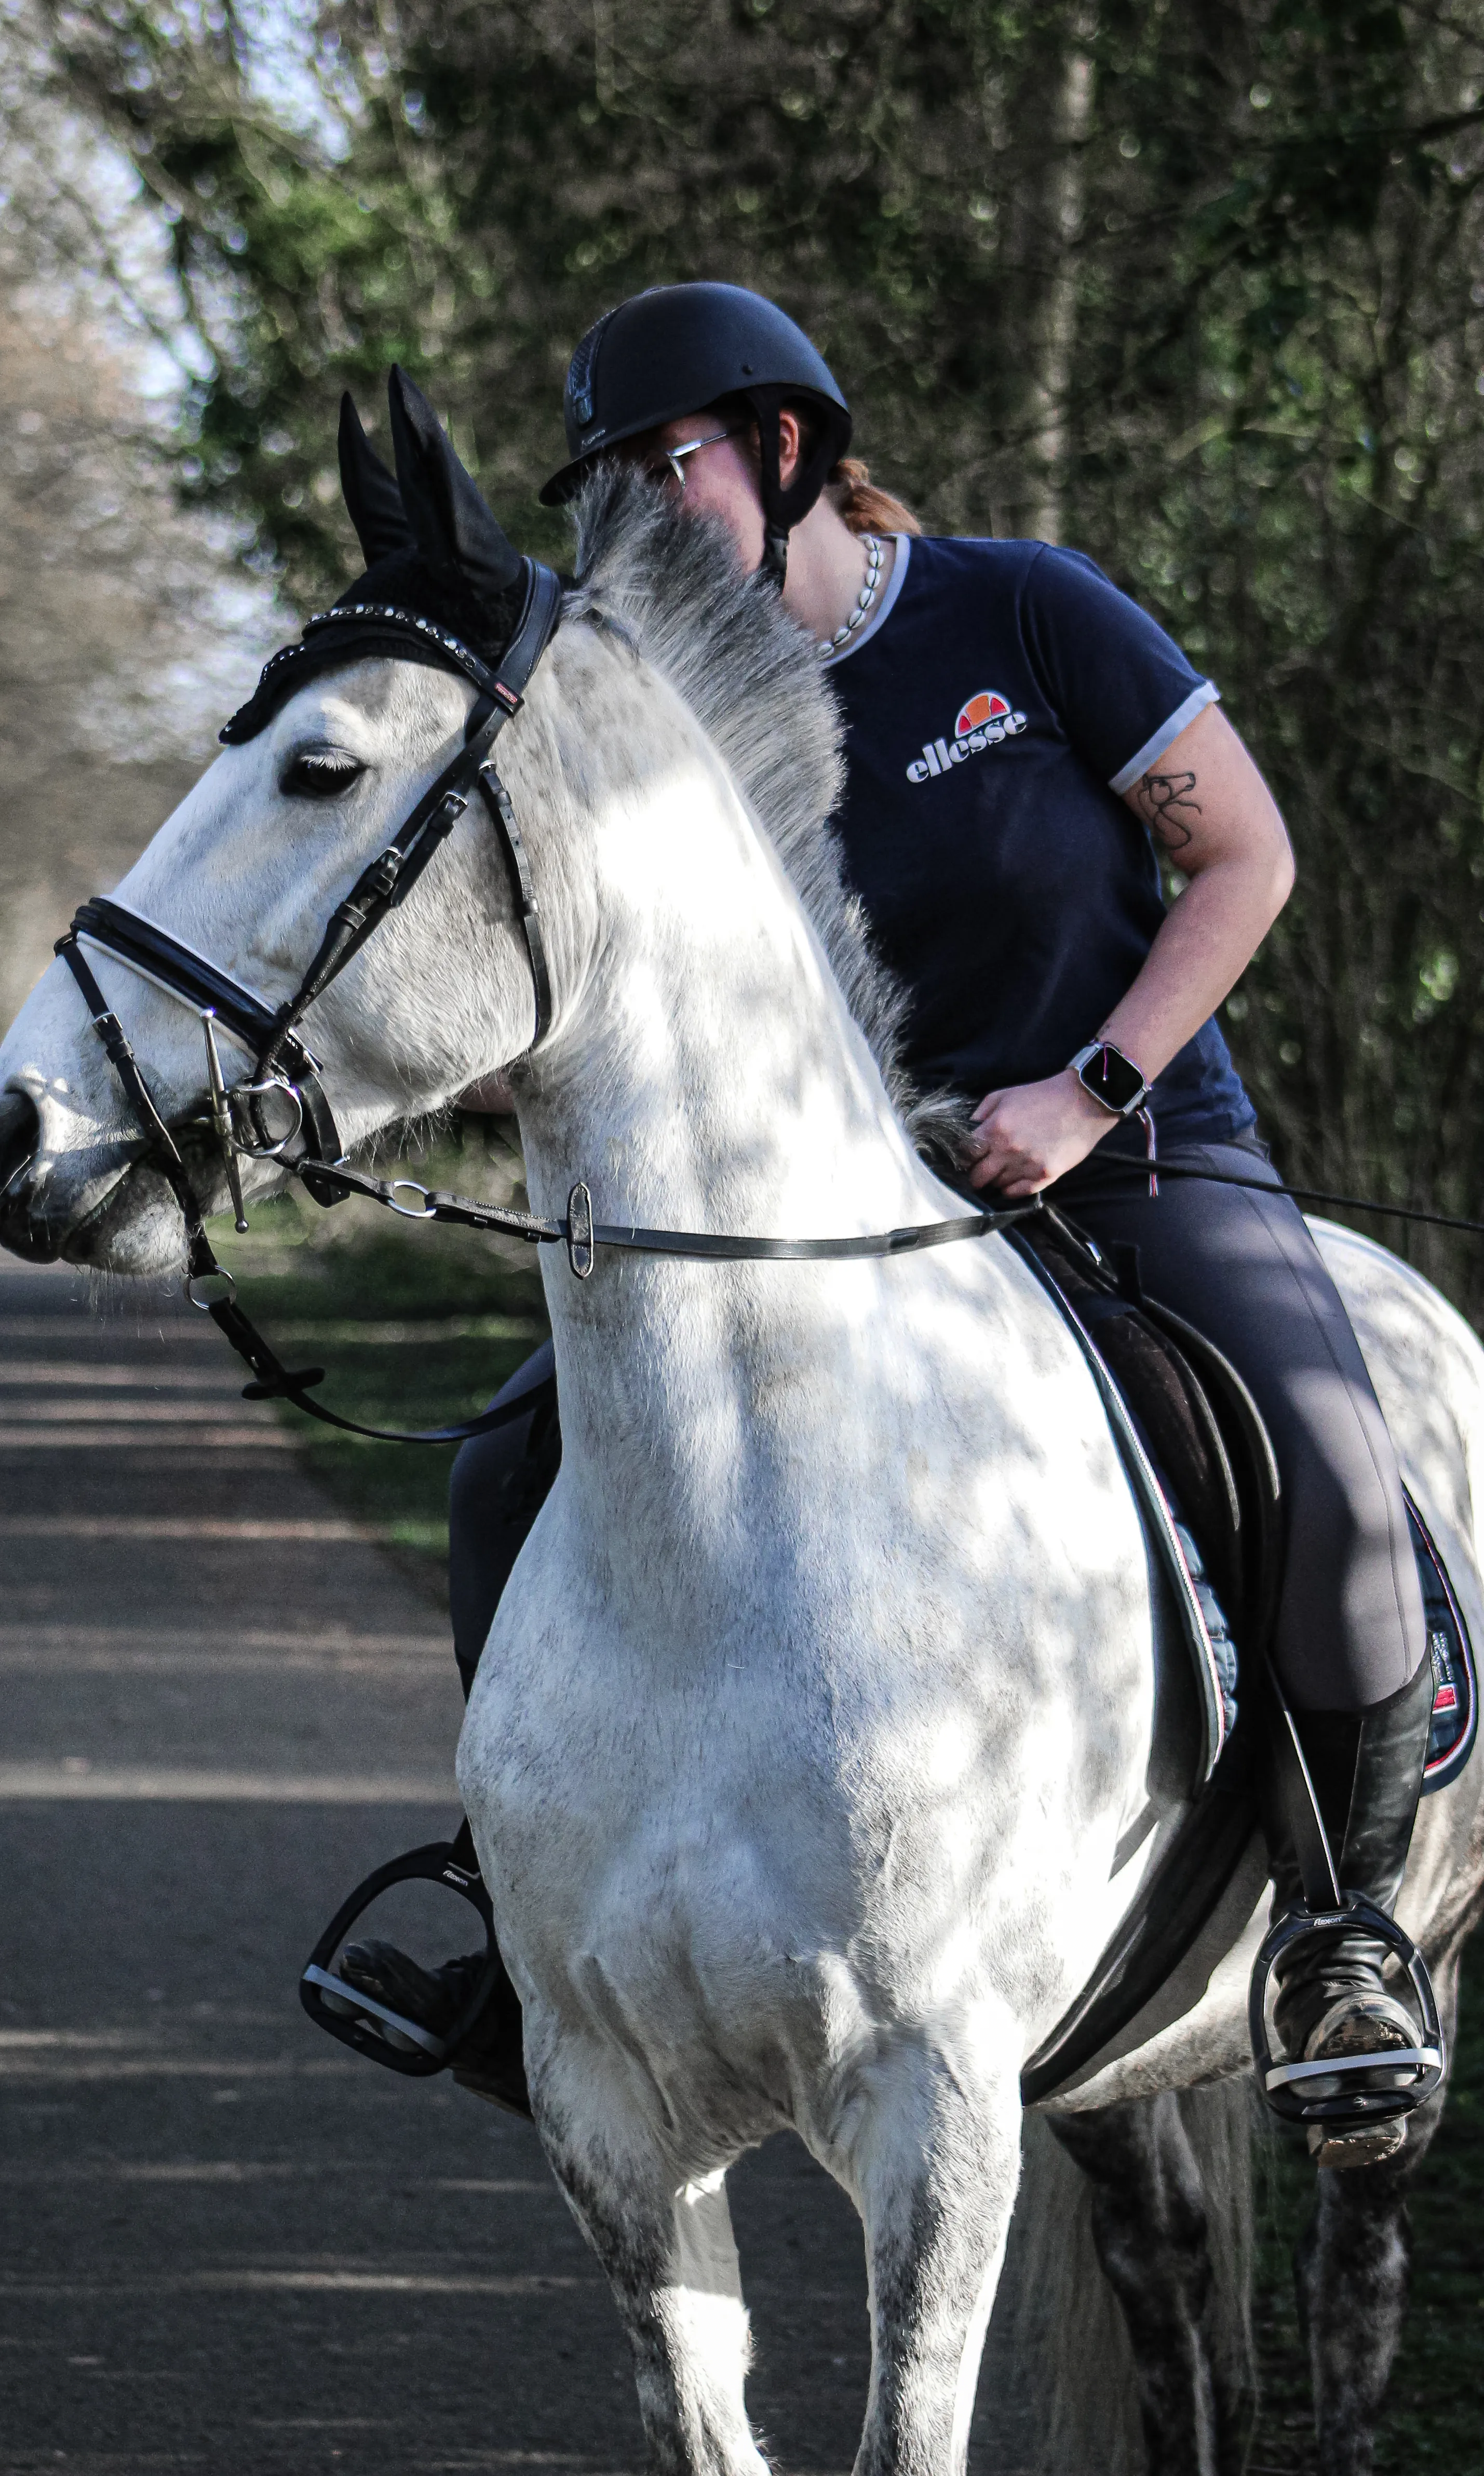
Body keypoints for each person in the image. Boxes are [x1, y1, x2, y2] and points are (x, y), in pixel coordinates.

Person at [341, 283, 1434, 2159]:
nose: (622, 518)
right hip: (833, 1225)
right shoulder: (660, 726)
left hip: (1142, 1159)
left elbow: (1245, 855)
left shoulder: (1025, 612)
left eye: (651, 470)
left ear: (780, 451)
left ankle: (1344, 1928)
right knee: (503, 1470)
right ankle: (523, 1913)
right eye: (595, 486)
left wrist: (1088, 1087)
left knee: (1327, 1467)